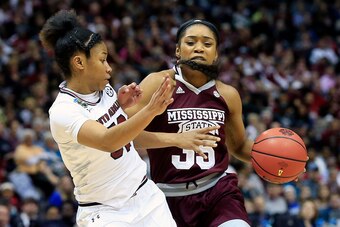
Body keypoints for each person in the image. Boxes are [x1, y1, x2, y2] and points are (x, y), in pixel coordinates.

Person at [39, 10, 219, 227]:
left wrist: (119, 107)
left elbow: (128, 137)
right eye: (103, 59)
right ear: (79, 63)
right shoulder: (63, 111)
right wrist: (150, 110)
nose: (109, 67)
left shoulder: (105, 91)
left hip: (146, 196)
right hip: (105, 213)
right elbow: (108, 141)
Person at [126, 19, 253, 227]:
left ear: (216, 54)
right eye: (191, 42)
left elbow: (239, 146)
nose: (199, 48)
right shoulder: (158, 83)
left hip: (218, 191)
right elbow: (122, 136)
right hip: (166, 196)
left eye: (207, 44)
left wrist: (281, 162)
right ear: (178, 50)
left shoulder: (227, 94)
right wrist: (177, 139)